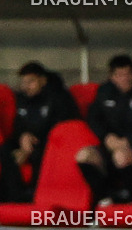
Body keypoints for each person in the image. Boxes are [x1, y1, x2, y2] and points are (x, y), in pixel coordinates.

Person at [76, 55, 132, 205]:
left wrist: (129, 141)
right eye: (120, 75)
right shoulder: (104, 92)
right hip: (110, 145)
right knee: (84, 155)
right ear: (112, 76)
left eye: (128, 74)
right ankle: (104, 198)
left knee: (121, 156)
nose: (125, 79)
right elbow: (93, 119)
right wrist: (106, 137)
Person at [0, 62, 78, 203]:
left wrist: (31, 143)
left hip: (51, 145)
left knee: (40, 152)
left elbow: (62, 127)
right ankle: (11, 197)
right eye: (23, 82)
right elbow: (16, 125)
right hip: (25, 143)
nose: (26, 86)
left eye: (31, 81)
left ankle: (35, 197)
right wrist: (22, 137)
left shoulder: (59, 98)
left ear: (43, 80)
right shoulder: (21, 99)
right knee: (4, 151)